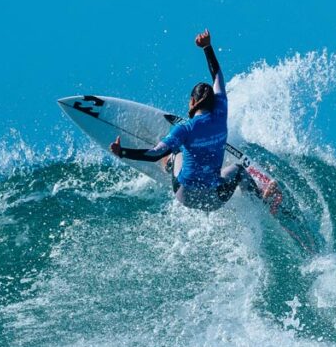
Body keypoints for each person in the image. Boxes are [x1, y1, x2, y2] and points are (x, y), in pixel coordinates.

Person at [109, 29, 274, 211]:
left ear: (192, 102)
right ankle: (262, 201)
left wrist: (122, 152)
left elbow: (154, 153)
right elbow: (217, 76)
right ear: (214, 102)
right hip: (216, 198)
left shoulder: (185, 129)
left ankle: (169, 165)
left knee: (174, 150)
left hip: (185, 195)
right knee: (239, 171)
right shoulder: (221, 113)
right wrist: (207, 47)